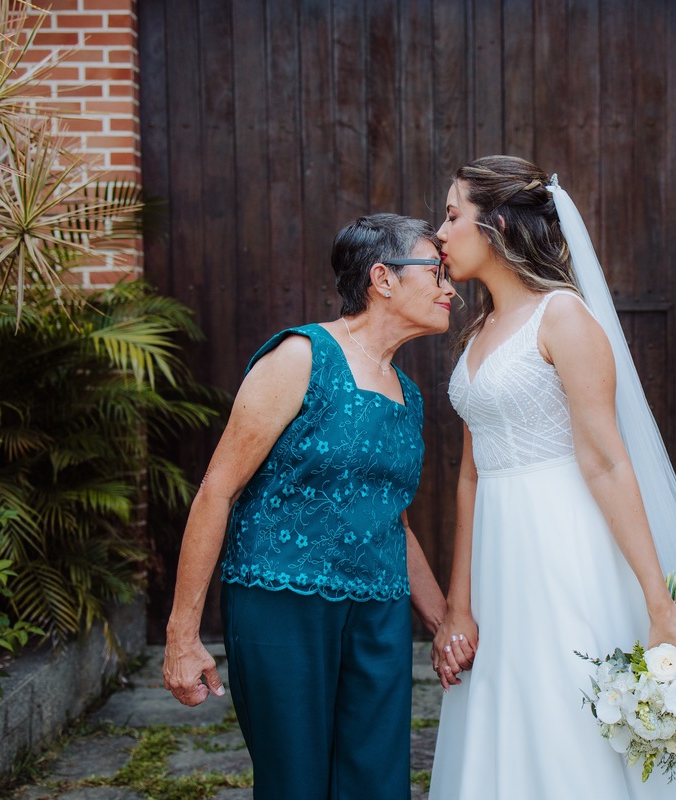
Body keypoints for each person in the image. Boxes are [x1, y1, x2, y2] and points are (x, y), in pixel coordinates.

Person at [427, 156, 676, 799]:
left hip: (564, 546)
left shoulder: (564, 318)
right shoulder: (479, 331)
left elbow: (606, 460)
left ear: (501, 227)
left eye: (454, 214)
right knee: (505, 704)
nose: (439, 231)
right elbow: (470, 477)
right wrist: (459, 605)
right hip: (498, 558)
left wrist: (658, 601)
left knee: (567, 703)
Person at [162, 213, 456, 800]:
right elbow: (218, 489)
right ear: (383, 278)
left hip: (379, 615)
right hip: (281, 606)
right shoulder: (302, 356)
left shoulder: (410, 394)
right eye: (436, 271)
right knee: (295, 783)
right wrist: (182, 635)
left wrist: (444, 621)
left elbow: (393, 521)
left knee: (377, 781)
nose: (451, 288)